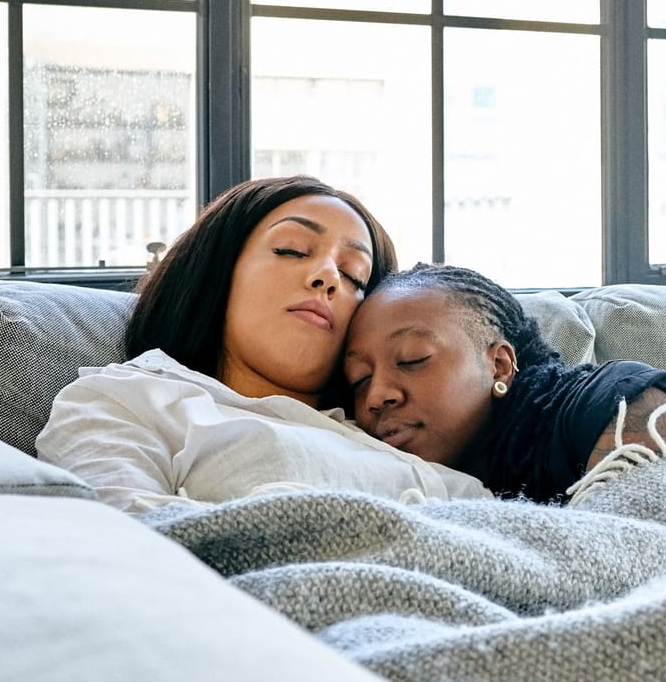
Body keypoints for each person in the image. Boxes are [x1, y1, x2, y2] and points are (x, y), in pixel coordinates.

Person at [37, 176, 493, 513]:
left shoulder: (393, 437)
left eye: (355, 275)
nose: (329, 277)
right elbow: (130, 547)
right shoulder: (128, 400)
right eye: (292, 250)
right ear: (217, 270)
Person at [343, 263, 666, 505]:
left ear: (499, 365)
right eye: (359, 380)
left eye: (412, 359)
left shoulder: (602, 401)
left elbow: (656, 539)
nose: (376, 396)